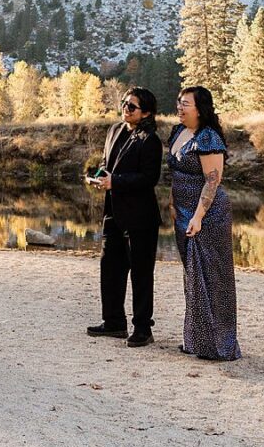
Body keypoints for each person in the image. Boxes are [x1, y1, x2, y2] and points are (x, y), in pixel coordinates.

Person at [166, 85, 240, 361]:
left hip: (208, 215)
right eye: (179, 102)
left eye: (186, 103)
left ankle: (219, 344)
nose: (180, 107)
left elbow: (213, 179)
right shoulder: (177, 132)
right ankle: (196, 340)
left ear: (201, 108)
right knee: (192, 276)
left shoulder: (208, 137)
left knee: (213, 277)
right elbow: (175, 174)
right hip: (182, 212)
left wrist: (198, 216)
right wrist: (173, 205)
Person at [86, 87, 163, 347]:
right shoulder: (114, 130)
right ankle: (114, 322)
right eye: (124, 104)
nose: (125, 109)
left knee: (141, 274)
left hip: (140, 218)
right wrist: (98, 176)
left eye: (132, 106)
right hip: (112, 214)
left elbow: (149, 178)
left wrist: (115, 182)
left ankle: (143, 328)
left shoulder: (149, 139)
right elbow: (107, 164)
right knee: (110, 269)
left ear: (147, 113)